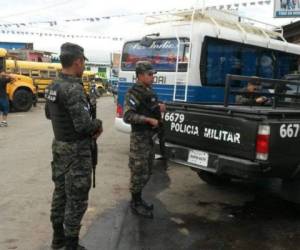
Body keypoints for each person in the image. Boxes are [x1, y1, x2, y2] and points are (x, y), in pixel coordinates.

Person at [45, 42, 103, 250]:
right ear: (77, 62)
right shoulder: (73, 89)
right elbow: (84, 125)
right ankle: (71, 244)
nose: (83, 67)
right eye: (83, 63)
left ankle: (58, 238)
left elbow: (49, 114)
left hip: (59, 148)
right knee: (76, 199)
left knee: (60, 194)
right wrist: (98, 125)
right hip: (76, 153)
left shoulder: (53, 86)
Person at [123, 61, 166, 219]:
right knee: (138, 171)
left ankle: (139, 199)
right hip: (139, 138)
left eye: (153, 74)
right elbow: (128, 116)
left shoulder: (149, 91)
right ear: (140, 76)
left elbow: (150, 107)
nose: (153, 77)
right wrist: (148, 120)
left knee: (147, 170)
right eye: (149, 74)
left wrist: (159, 108)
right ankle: (135, 202)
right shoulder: (133, 93)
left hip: (149, 137)